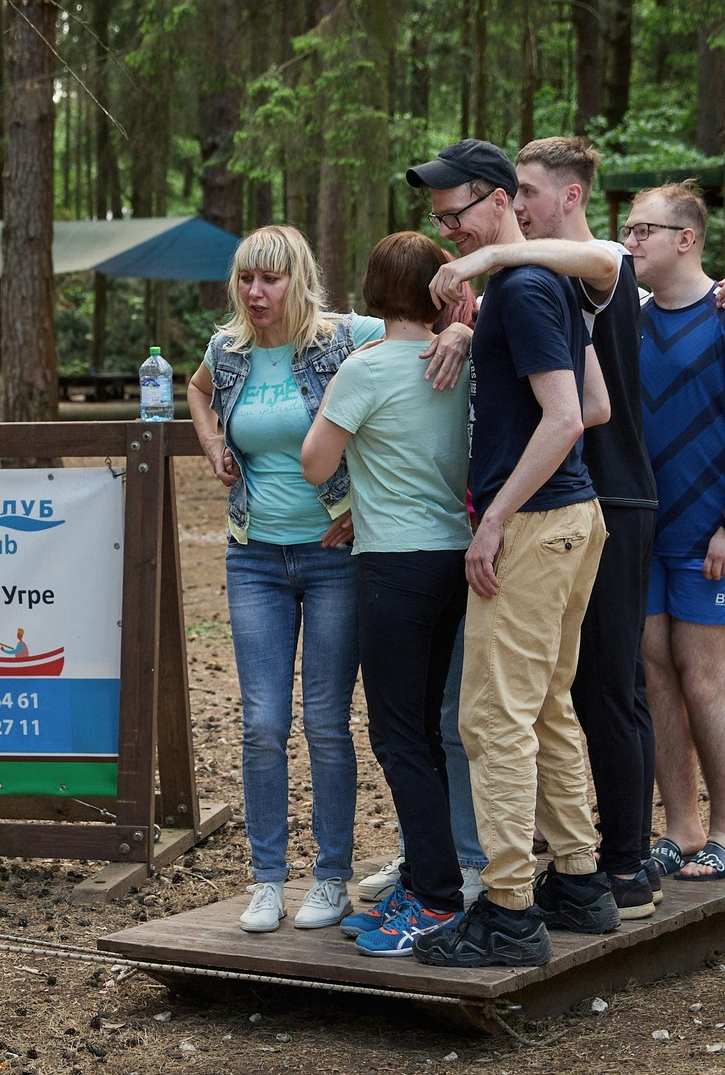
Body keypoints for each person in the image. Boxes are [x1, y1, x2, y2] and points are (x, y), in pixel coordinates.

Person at [428, 140, 725, 919]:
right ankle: (600, 857)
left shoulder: (597, 264)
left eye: (529, 191)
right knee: (586, 687)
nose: (518, 203)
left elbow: (584, 394)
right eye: (510, 191)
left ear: (568, 197)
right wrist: (462, 325)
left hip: (598, 498)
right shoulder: (567, 285)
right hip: (580, 496)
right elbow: (590, 380)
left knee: (609, 688)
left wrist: (484, 268)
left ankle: (621, 865)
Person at [187, 224, 465, 935]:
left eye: (271, 278)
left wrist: (462, 334)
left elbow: (432, 306)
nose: (256, 292)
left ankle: (332, 877)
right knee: (260, 722)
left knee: (327, 722)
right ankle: (267, 879)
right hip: (254, 555)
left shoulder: (345, 338)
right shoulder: (227, 351)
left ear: (299, 280)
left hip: (338, 554)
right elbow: (196, 390)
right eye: (247, 278)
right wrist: (215, 440)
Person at [401, 143, 612, 968]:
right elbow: (593, 403)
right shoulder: (539, 284)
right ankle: (583, 882)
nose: (445, 229)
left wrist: (494, 518)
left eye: (456, 214)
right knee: (549, 707)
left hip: (534, 528)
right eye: (436, 216)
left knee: (490, 721)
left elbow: (566, 418)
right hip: (574, 521)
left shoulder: (523, 285)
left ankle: (510, 910)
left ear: (498, 203)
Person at [297, 232, 479, 954]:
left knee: (397, 734)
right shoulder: (457, 359)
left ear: (372, 291)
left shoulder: (363, 368)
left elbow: (316, 464)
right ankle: (433, 874)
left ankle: (434, 895)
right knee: (431, 728)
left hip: (393, 565)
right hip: (455, 558)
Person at [624, 182, 725, 881]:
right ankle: (682, 828)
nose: (628, 242)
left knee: (704, 678)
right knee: (657, 674)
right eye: (626, 231)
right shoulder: (625, 316)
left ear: (685, 238)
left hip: (710, 536)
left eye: (642, 231)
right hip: (641, 534)